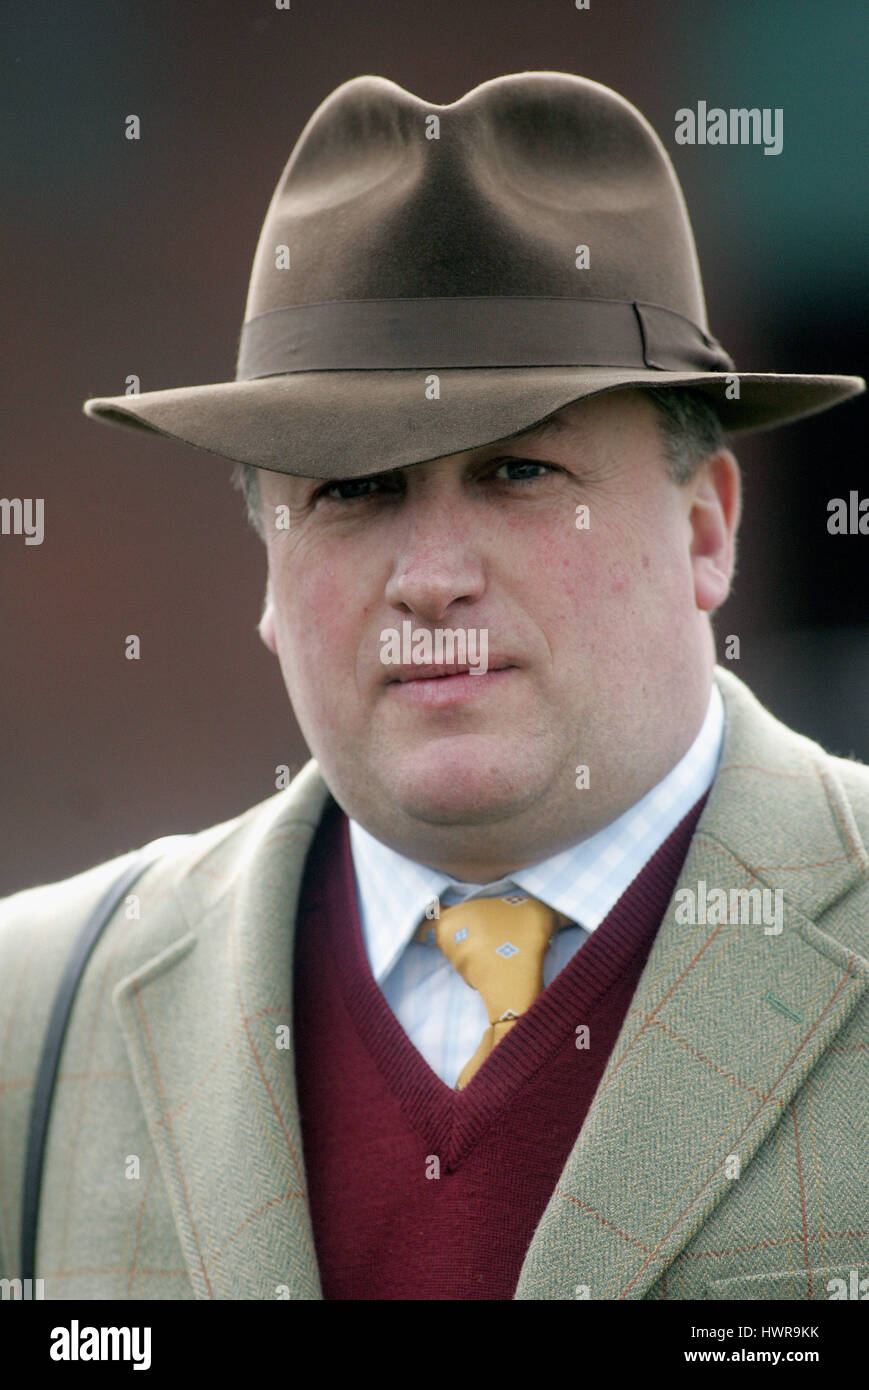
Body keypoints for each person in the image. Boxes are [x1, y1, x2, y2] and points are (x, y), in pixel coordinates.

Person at [1, 72, 867, 1303]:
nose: (431, 577)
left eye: (519, 469)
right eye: (353, 489)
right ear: (266, 560)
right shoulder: (31, 1020)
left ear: (704, 529)